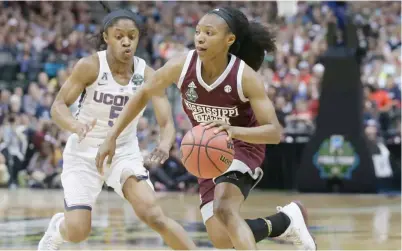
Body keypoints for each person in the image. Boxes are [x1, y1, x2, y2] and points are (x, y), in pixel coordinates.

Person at [96, 6, 317, 250]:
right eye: (198, 31)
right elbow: (142, 93)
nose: (200, 37)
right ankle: (285, 221)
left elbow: (274, 133)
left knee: (224, 210)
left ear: (229, 40)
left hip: (243, 145)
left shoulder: (244, 77)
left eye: (209, 33)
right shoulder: (181, 66)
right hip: (206, 151)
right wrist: (111, 136)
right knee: (221, 238)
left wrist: (234, 131)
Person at [38, 9, 197, 251]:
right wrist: (75, 125)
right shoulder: (90, 66)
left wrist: (165, 144)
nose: (126, 41)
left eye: (132, 36)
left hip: (122, 152)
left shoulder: (147, 74)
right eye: (119, 36)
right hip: (83, 153)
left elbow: (166, 122)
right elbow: (58, 106)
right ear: (106, 37)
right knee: (78, 231)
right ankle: (58, 227)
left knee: (153, 215)